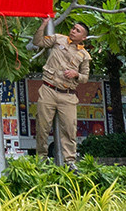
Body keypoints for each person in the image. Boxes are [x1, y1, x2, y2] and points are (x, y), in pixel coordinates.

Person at [28, 18, 91, 164]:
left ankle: (70, 161)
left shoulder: (85, 56)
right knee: (42, 128)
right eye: (73, 28)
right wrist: (43, 25)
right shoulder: (58, 39)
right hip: (48, 89)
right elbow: (38, 42)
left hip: (68, 95)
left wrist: (76, 75)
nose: (73, 31)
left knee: (69, 130)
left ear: (84, 37)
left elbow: (85, 78)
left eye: (77, 31)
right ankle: (41, 160)